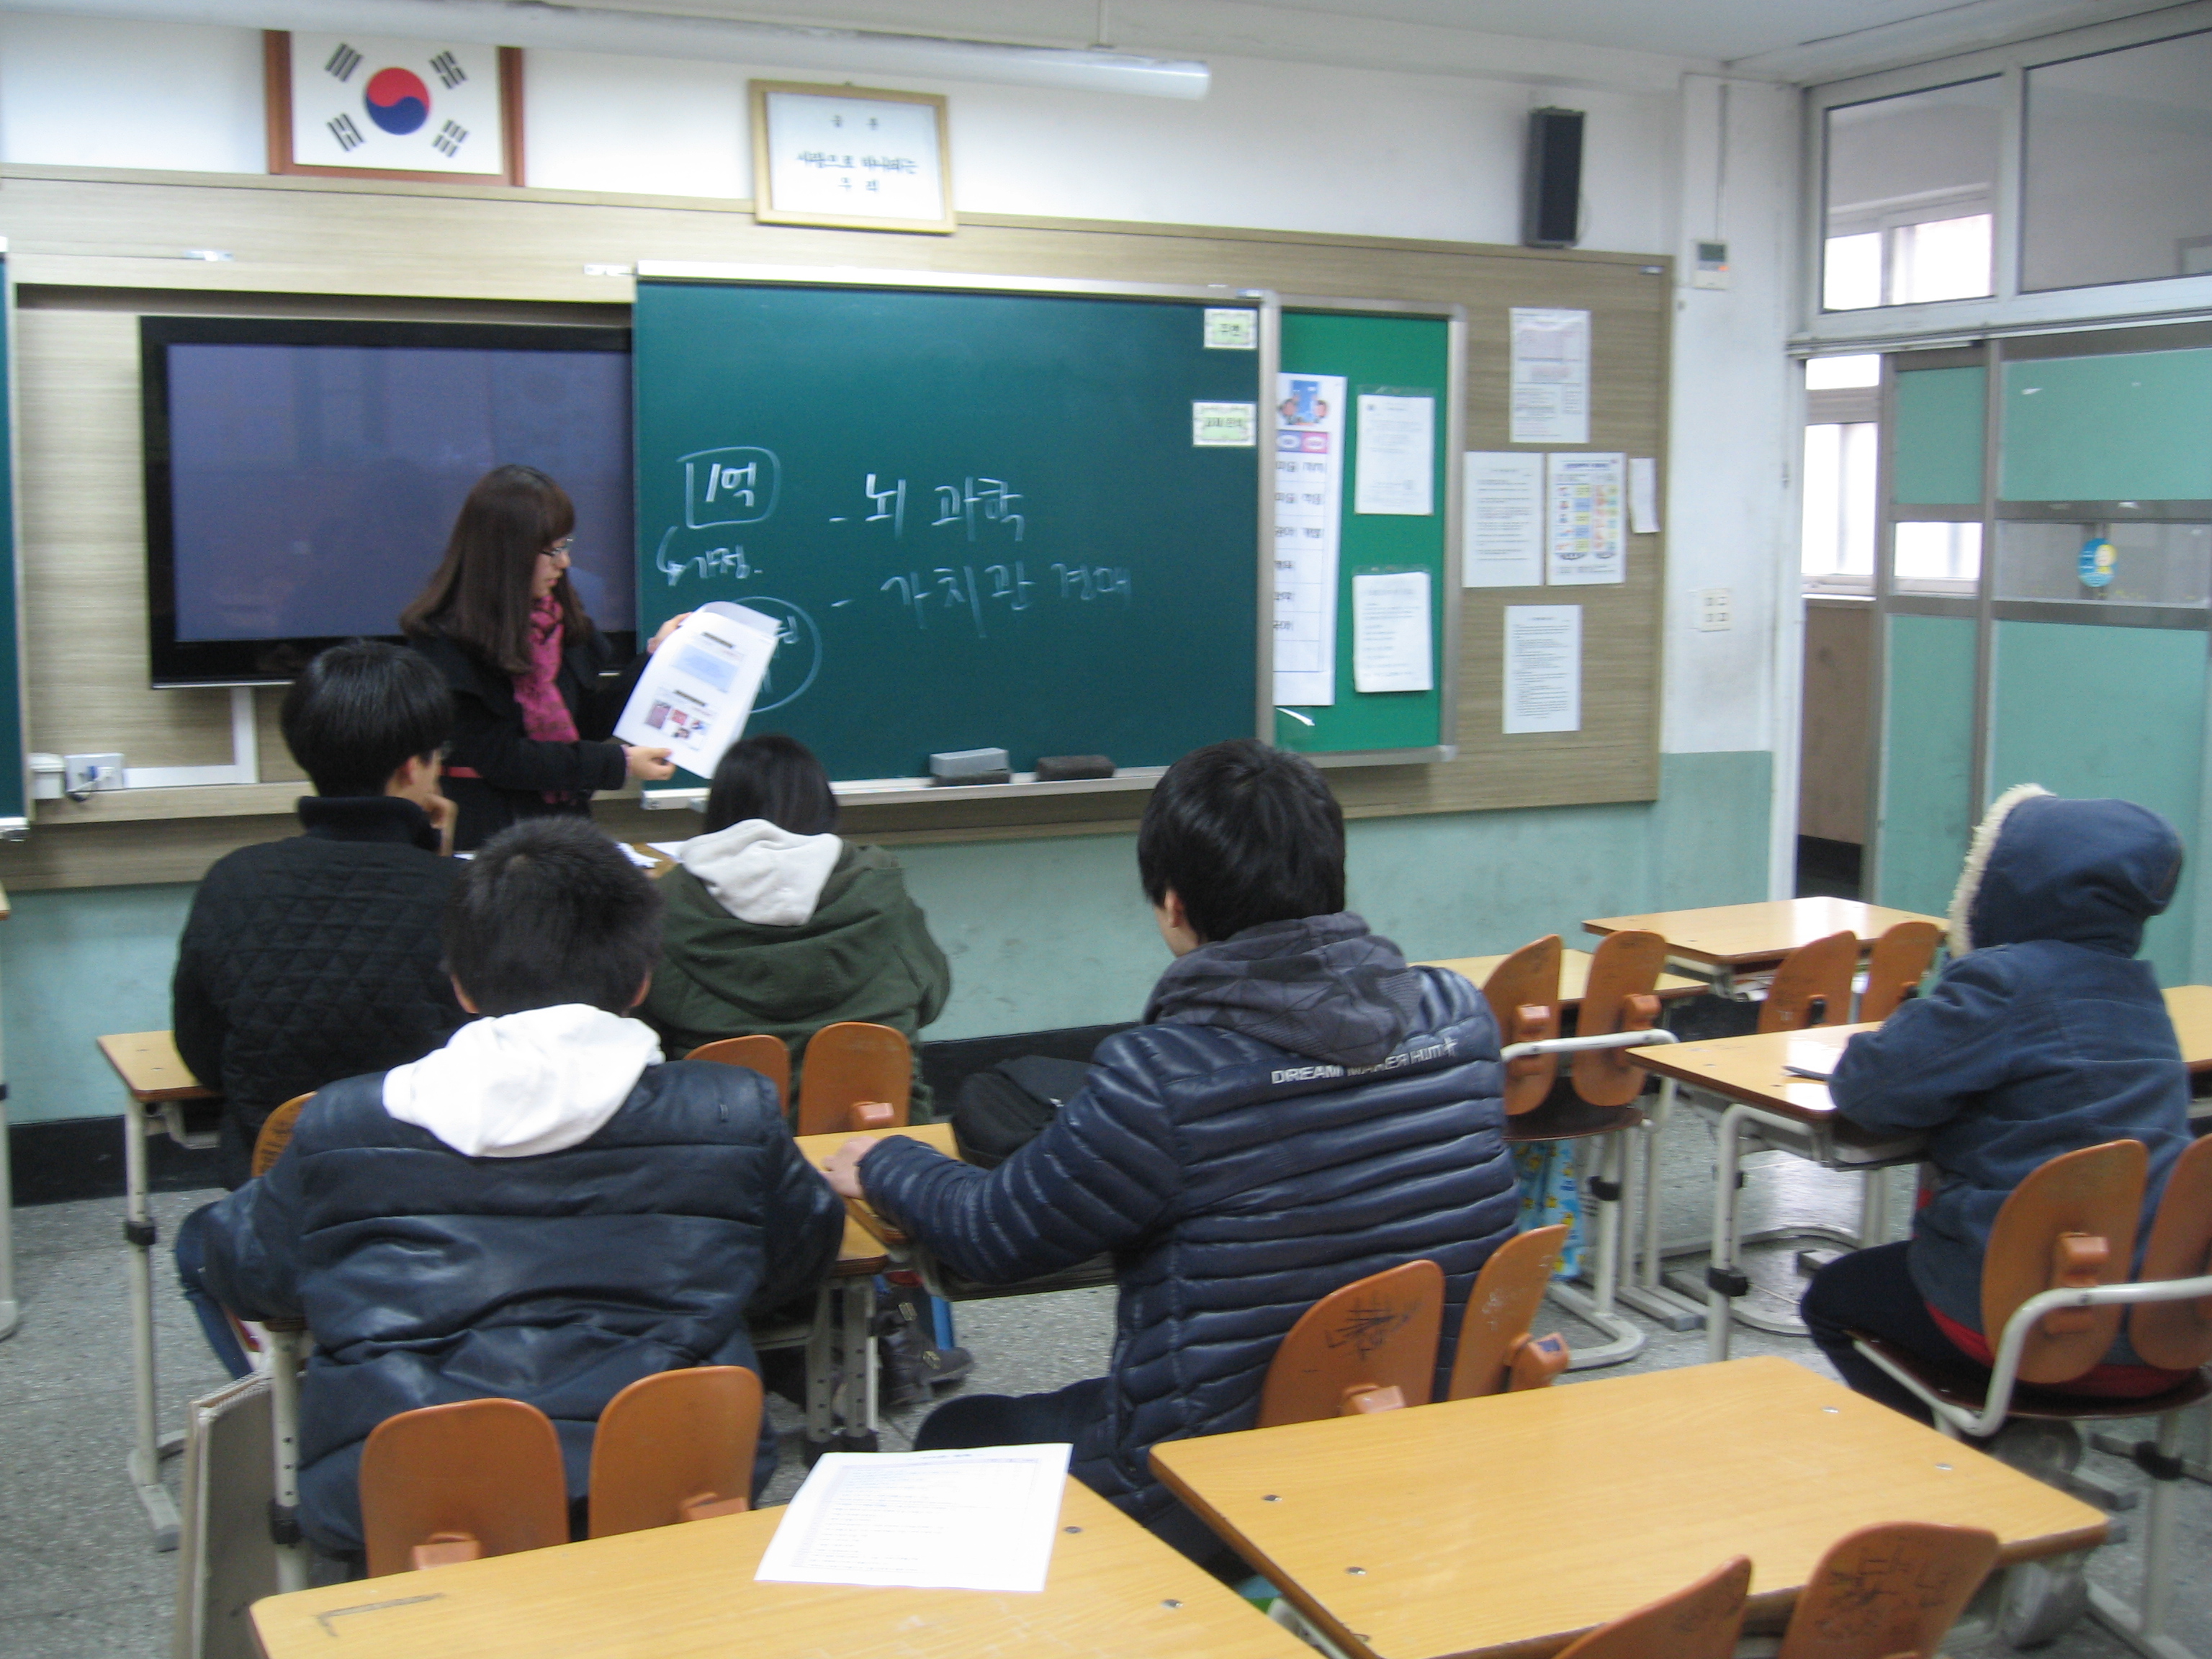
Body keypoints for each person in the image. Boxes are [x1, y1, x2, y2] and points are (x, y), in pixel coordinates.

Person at [822, 738, 1516, 1561]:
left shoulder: (1164, 1078)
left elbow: (993, 1236)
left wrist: (886, 1163)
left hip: (1210, 1483)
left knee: (959, 1431)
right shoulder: (1460, 1015)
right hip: (1423, 1429)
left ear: (1174, 907)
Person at [186, 817, 845, 1559]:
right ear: (641, 979)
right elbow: (803, 1252)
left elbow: (251, 1275)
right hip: (673, 1472)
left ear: (461, 987)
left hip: (417, 1496)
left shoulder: (342, 1122)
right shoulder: (731, 1111)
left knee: (202, 1244)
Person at [1801, 783, 2196, 1420]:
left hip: (2024, 1324)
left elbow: (1869, 1092)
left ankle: (1958, 1454)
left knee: (1834, 1298)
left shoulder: (2005, 980)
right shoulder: (2141, 993)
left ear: (2011, 886)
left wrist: (1915, 1017)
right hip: (2166, 1330)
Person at [173, 640, 466, 1195]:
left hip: (277, 1195)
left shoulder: (233, 880)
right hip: (433, 1195)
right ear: (413, 767)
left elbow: (206, 1059)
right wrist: (437, 861)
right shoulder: (465, 894)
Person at [638, 733, 952, 1111]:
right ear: (821, 802)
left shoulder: (668, 903)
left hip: (719, 1132)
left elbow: (644, 1031)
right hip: (878, 1130)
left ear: (720, 807)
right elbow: (932, 999)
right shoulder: (877, 886)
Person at [401, 464, 685, 850]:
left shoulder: (559, 620)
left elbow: (586, 724)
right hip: (487, 838)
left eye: (566, 545)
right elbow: (500, 757)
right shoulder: (443, 641)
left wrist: (654, 660)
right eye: (551, 550)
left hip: (565, 830)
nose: (563, 563)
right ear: (506, 553)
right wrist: (618, 764)